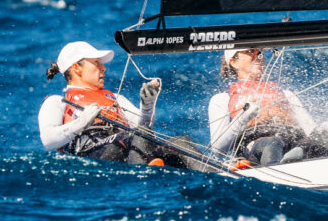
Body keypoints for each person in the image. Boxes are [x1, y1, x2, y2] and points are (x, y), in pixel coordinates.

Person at [39, 41, 204, 169]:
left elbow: (145, 131)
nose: (103, 68)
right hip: (92, 156)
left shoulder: (116, 98)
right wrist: (81, 123)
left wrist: (147, 108)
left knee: (180, 143)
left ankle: (221, 174)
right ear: (76, 68)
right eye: (96, 63)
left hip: (126, 148)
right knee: (132, 136)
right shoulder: (57, 101)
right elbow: (48, 140)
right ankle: (145, 176)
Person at [208, 48, 328, 166]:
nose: (258, 56)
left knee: (327, 134)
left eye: (260, 52)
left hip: (296, 143)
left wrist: (323, 133)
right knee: (274, 142)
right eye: (250, 51)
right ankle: (280, 168)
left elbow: (310, 129)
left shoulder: (287, 94)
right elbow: (217, 148)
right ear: (234, 62)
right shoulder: (222, 99)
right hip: (257, 146)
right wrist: (243, 118)